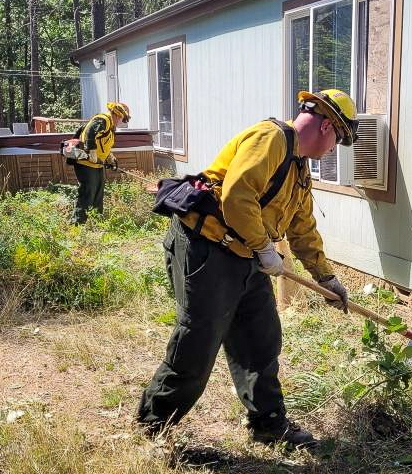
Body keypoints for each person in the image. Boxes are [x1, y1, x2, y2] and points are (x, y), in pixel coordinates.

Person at [136, 89, 358, 448]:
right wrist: (264, 247)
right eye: (339, 140)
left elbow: (302, 228)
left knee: (261, 339)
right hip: (207, 248)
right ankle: (153, 424)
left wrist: (326, 276)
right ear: (328, 126)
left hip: (248, 256)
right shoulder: (269, 139)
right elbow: (237, 198)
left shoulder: (300, 171)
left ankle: (268, 424)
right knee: (198, 340)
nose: (334, 150)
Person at [71, 101, 130, 224]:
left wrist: (110, 157)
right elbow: (90, 133)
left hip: (97, 164)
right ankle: (76, 225)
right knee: (88, 192)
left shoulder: (110, 125)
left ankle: (96, 222)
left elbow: (103, 144)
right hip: (86, 163)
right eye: (122, 119)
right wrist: (91, 152)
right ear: (118, 115)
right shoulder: (103, 120)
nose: (121, 122)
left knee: (98, 192)